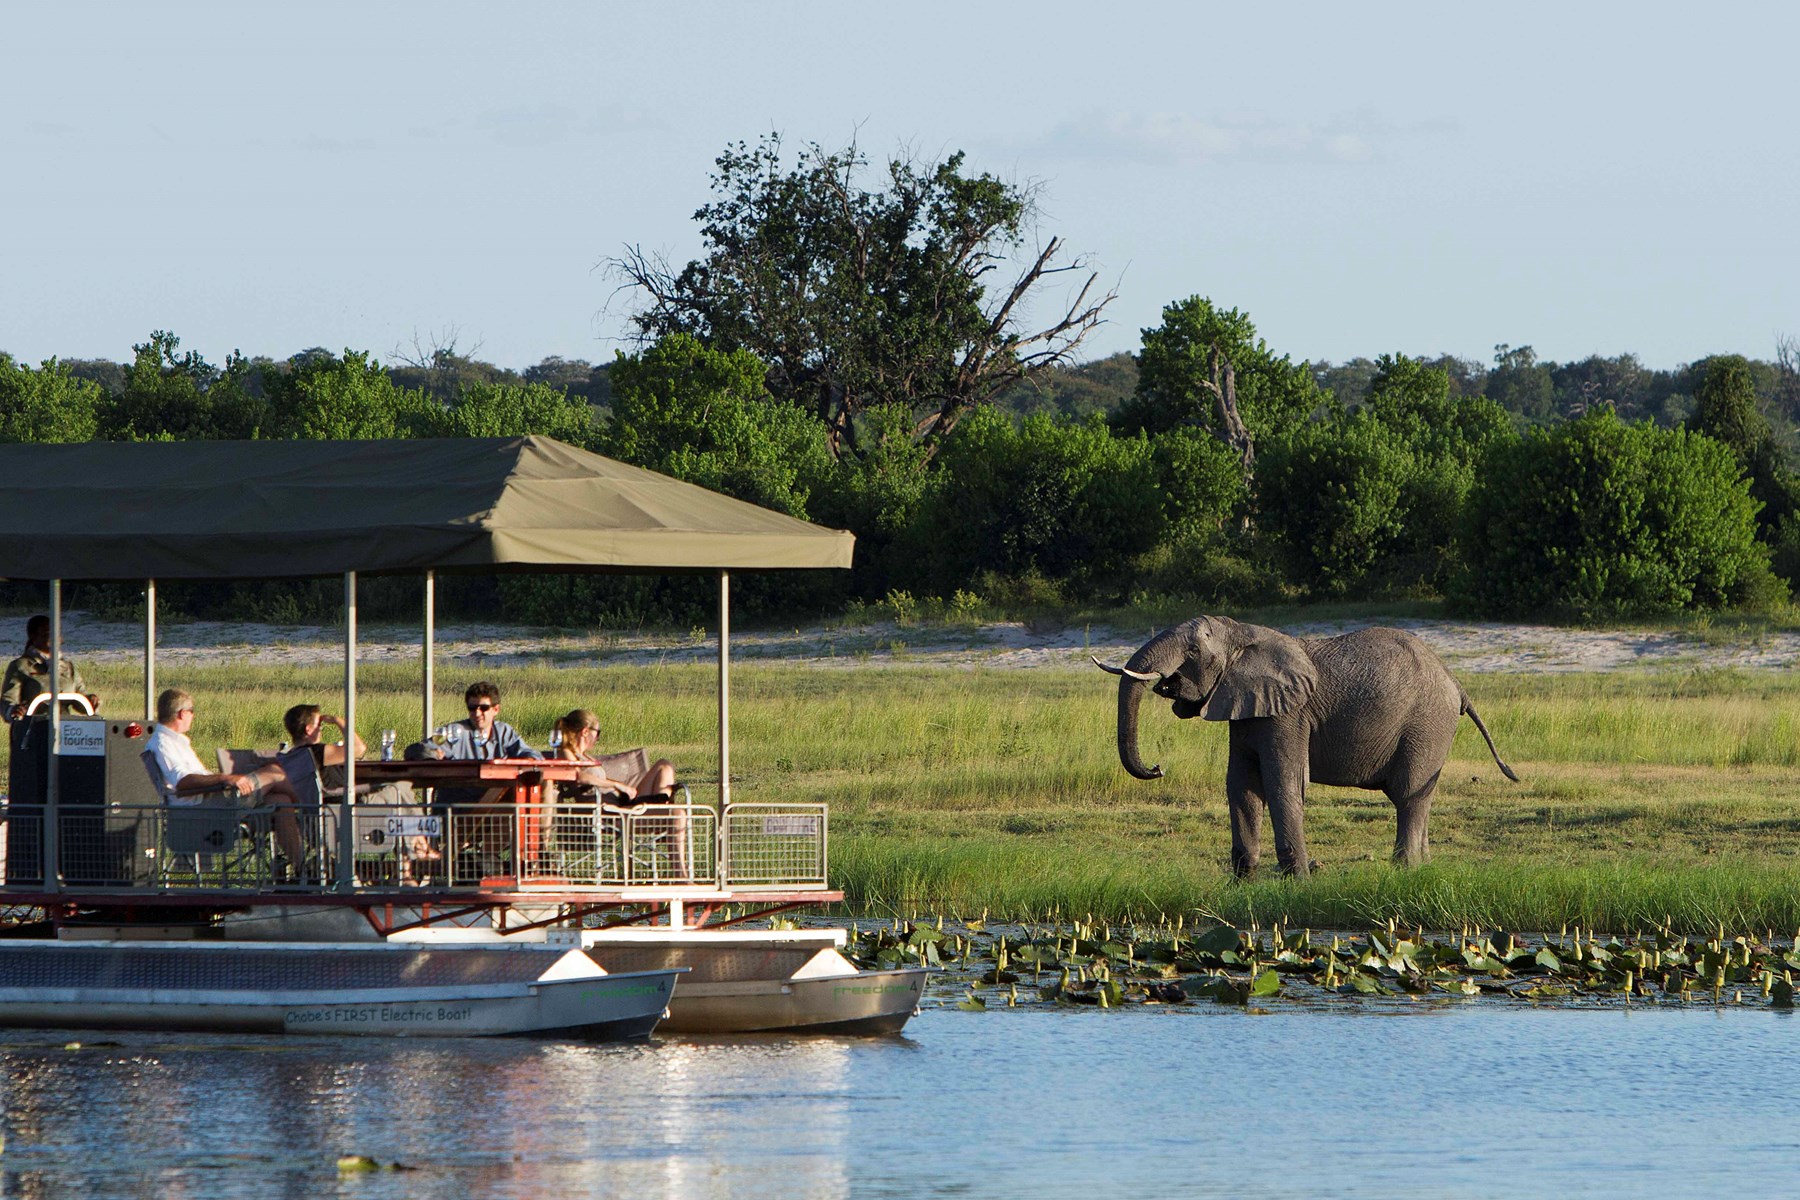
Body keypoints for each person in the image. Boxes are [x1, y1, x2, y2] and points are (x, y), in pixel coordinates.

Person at [146, 688, 305, 867]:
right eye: (192, 712)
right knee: (274, 773)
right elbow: (183, 782)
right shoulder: (164, 743)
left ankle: (303, 869)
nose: (193, 716)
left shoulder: (175, 742)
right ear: (182, 714)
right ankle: (315, 810)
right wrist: (226, 779)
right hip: (204, 808)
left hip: (212, 799)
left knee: (281, 801)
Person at [283, 703, 437, 879]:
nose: (322, 729)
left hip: (319, 818)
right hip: (348, 812)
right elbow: (359, 748)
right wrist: (340, 722)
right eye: (320, 725)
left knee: (397, 796)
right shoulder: (317, 752)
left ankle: (412, 859)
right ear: (309, 729)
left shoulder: (293, 755)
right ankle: (414, 856)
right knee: (400, 787)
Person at [4, 615, 101, 800]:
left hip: (68, 733)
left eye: (56, 633)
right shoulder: (21, 666)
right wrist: (14, 710)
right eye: (47, 634)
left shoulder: (68, 667)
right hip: (33, 734)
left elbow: (80, 698)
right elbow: (7, 701)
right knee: (36, 786)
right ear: (34, 637)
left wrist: (91, 700)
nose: (54, 638)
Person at [549, 707, 675, 805]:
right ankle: (662, 807)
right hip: (611, 807)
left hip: (620, 799)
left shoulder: (587, 757)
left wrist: (622, 787)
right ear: (585, 732)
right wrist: (616, 785)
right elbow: (577, 776)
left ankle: (663, 804)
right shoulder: (567, 753)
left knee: (664, 765)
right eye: (597, 733)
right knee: (676, 814)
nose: (598, 738)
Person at [436, 682, 541, 761]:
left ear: (496, 710)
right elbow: (427, 747)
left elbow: (528, 753)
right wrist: (433, 754)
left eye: (484, 708)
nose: (477, 713)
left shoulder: (503, 732)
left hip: (498, 788)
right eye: (472, 708)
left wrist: (530, 759)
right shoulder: (453, 731)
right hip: (460, 789)